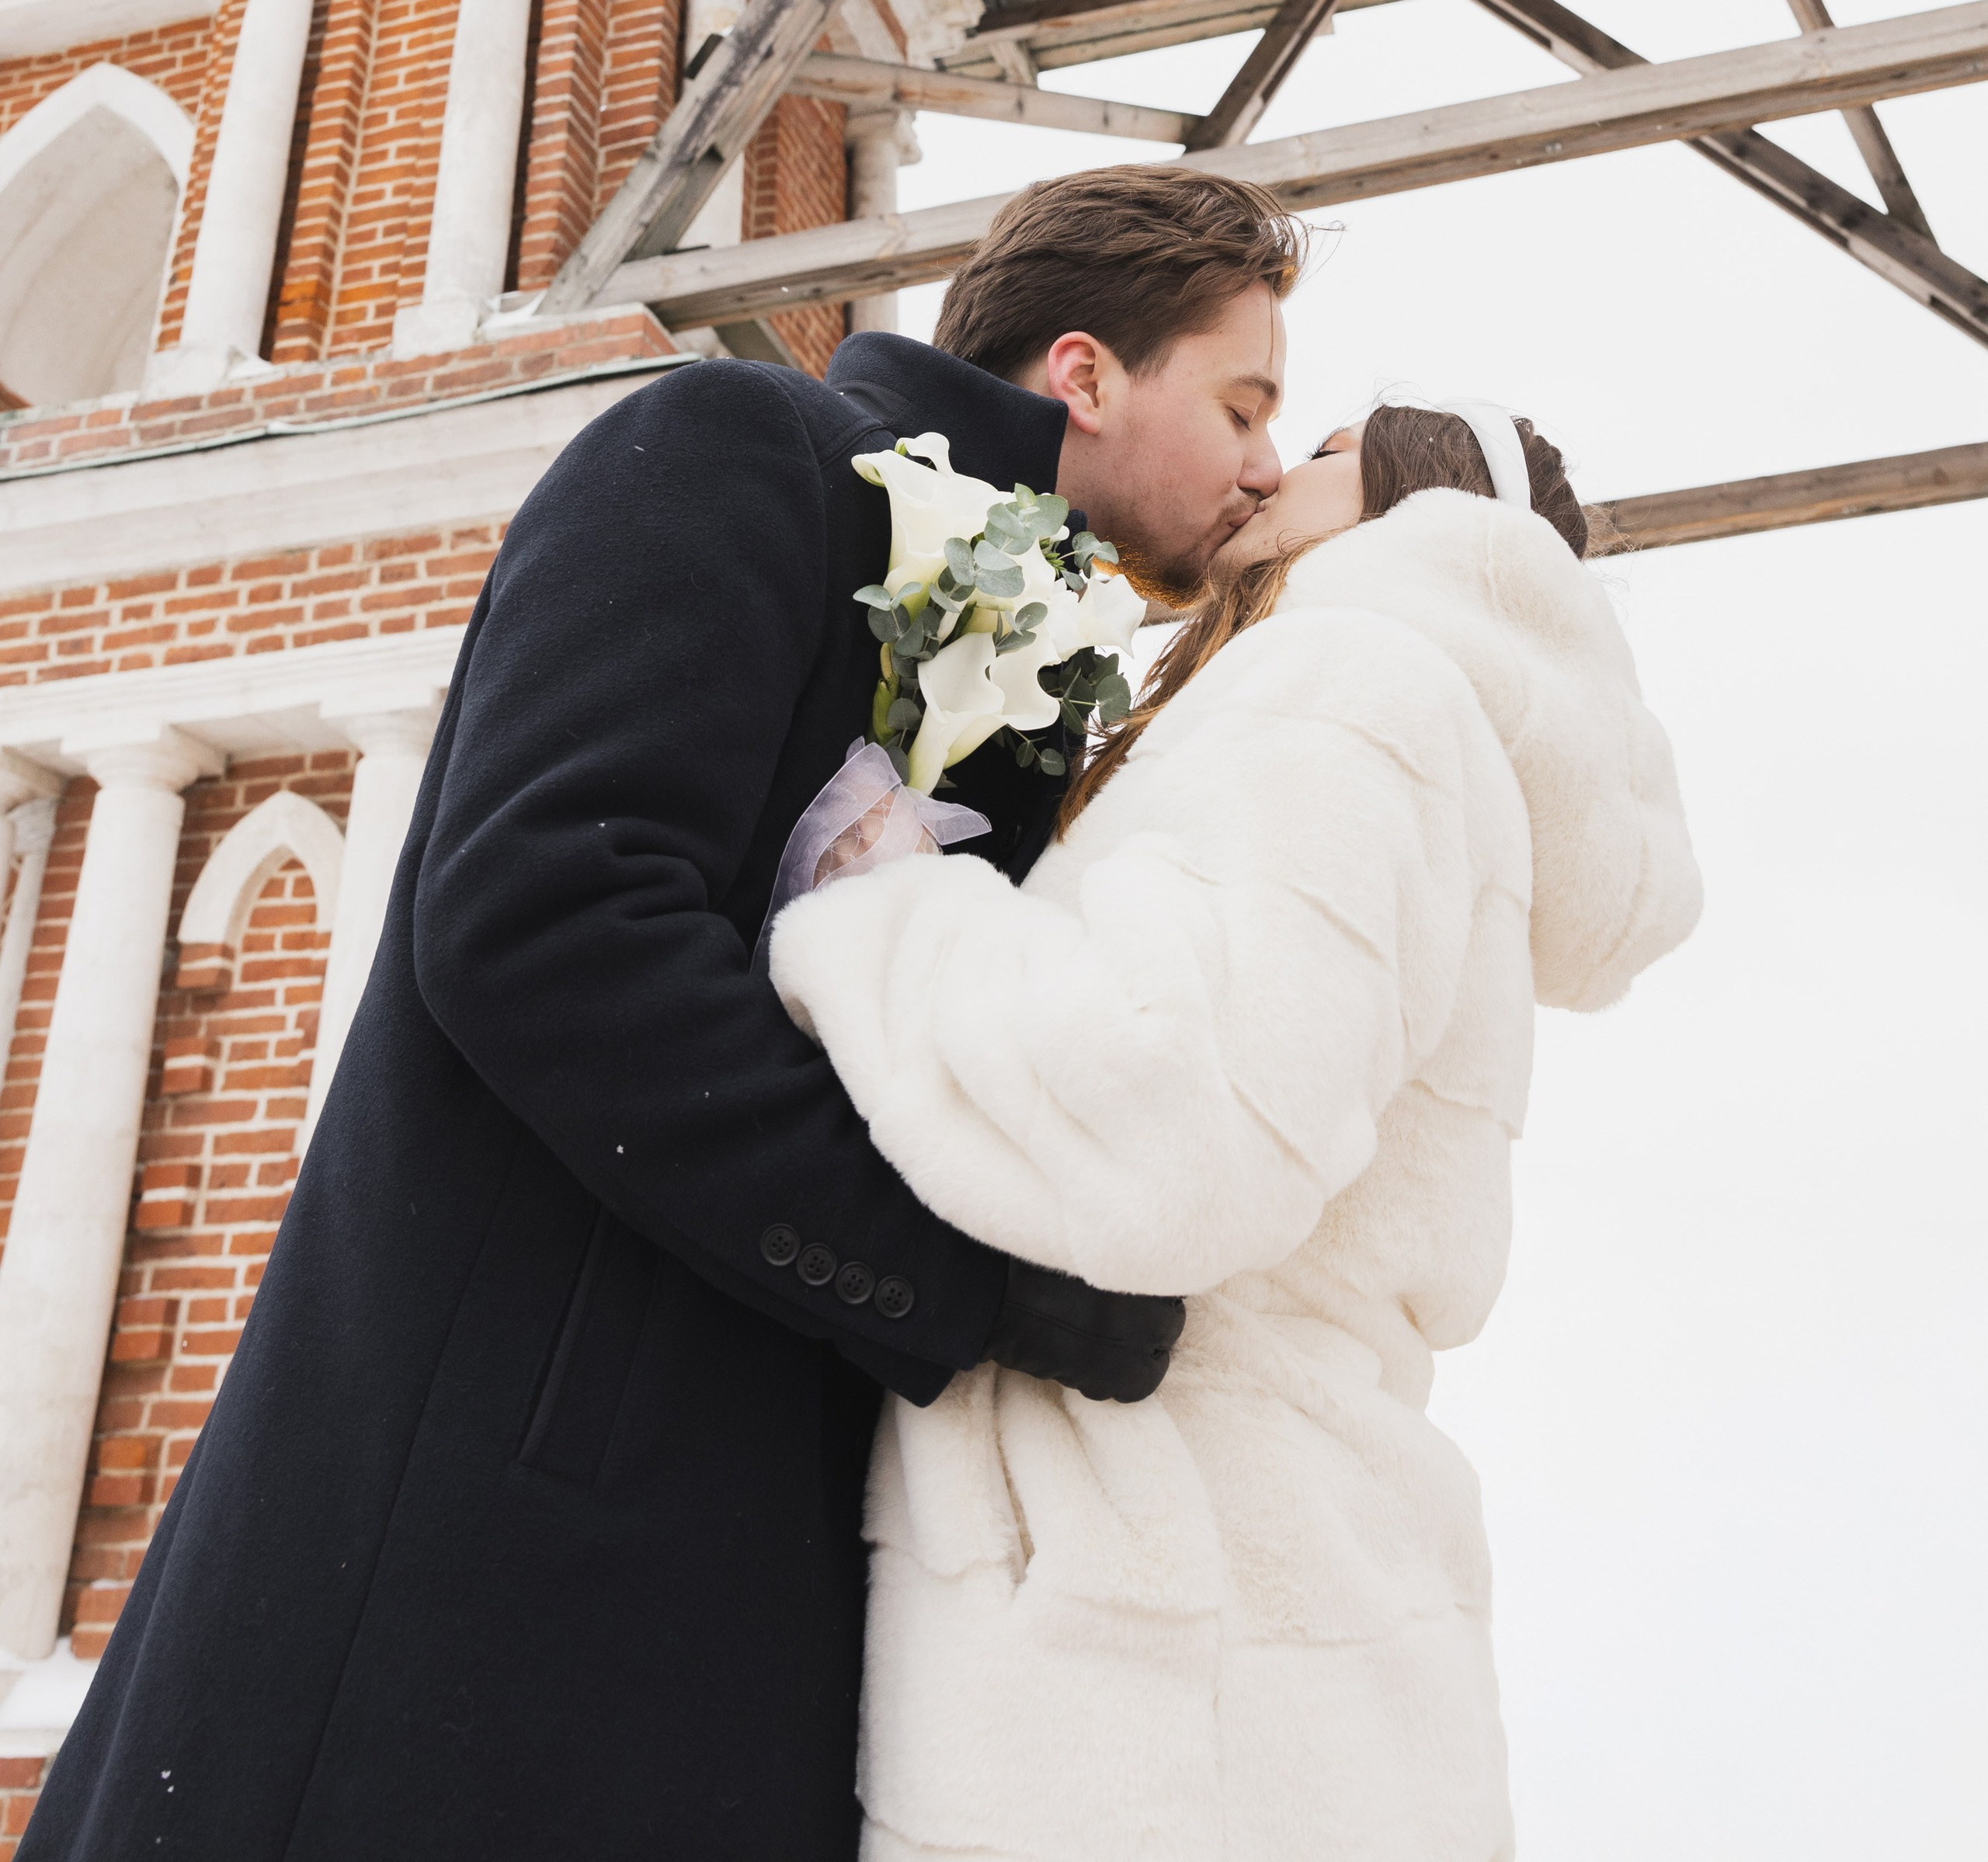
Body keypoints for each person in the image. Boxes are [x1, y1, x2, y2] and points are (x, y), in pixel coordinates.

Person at [25, 168, 1300, 1862]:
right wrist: (979, 1281)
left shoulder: (1040, 664)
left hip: (760, 1613)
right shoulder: (734, 450)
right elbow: (545, 919)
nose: (1266, 463)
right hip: (475, 1578)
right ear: (1083, 373)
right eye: (1243, 404)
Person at [770, 401, 1705, 1862]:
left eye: (1320, 442)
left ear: (1409, 502)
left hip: (1161, 1648)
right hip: (1271, 1612)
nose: (1270, 468)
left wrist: (879, 897)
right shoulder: (1391, 709)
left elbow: (1177, 1117)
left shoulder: (1349, 684)